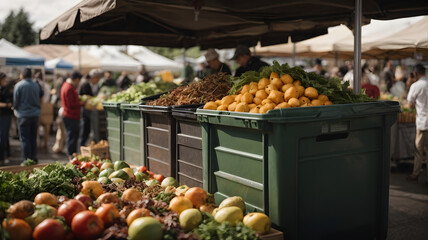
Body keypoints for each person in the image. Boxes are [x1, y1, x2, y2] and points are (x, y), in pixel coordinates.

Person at [13, 68, 41, 163]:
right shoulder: (36, 85)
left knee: (25, 139)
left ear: (22, 75)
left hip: (23, 115)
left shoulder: (18, 85)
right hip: (35, 114)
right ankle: (34, 159)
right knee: (33, 138)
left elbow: (16, 102)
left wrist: (15, 108)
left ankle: (26, 160)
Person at [406, 64, 427, 181]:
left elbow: (410, 103)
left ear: (415, 74)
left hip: (422, 122)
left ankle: (415, 174)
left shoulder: (416, 86)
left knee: (419, 150)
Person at [61, 71, 84, 158]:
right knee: (72, 137)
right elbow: (71, 104)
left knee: (72, 136)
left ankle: (71, 155)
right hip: (71, 116)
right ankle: (71, 156)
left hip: (69, 115)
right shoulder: (69, 87)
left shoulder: (66, 85)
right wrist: (82, 103)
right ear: (77, 79)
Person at [79, 69, 102, 147]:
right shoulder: (85, 84)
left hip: (92, 110)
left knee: (91, 130)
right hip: (86, 111)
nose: (98, 80)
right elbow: (82, 97)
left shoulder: (96, 85)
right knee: (85, 129)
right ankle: (82, 146)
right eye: (97, 78)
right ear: (93, 77)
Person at [0, 72, 13, 164]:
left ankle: (3, 156)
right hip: (3, 115)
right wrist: (7, 105)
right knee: (2, 137)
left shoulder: (6, 89)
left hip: (6, 115)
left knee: (4, 137)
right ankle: (2, 158)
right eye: (4, 79)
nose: (5, 81)